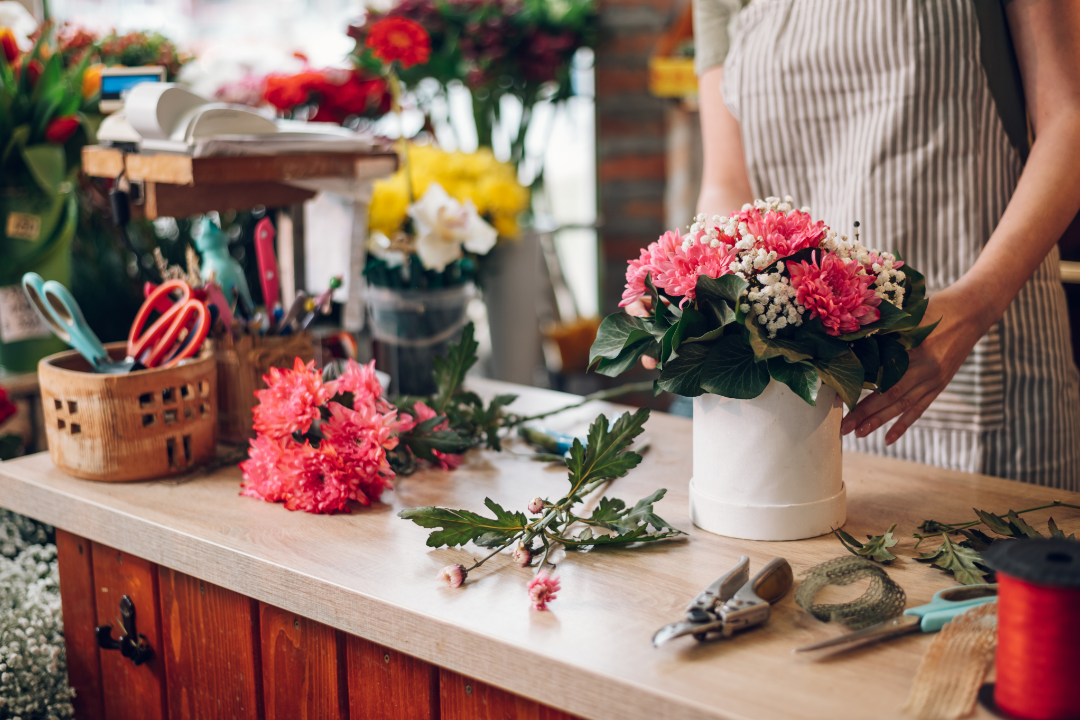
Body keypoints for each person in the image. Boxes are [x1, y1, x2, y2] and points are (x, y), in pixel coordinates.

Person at [688, 0, 1080, 489]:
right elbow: (728, 182)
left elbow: (1069, 119)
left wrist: (975, 304)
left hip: (981, 353)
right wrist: (690, 278)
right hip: (810, 393)